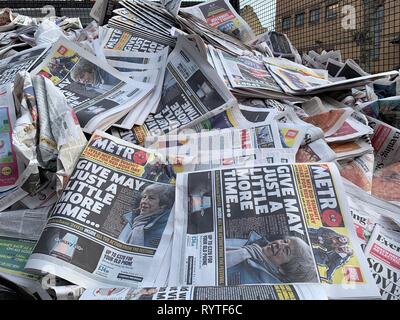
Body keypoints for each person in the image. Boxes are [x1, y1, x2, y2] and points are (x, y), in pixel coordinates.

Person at [226, 231, 318, 285]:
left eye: (286, 251)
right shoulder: (254, 245)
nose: (279, 244)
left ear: (283, 270)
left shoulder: (259, 283)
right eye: (285, 241)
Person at [118, 184, 175, 249]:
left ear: (163, 205)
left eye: (151, 198)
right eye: (144, 197)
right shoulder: (132, 220)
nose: (144, 201)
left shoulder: (166, 226)